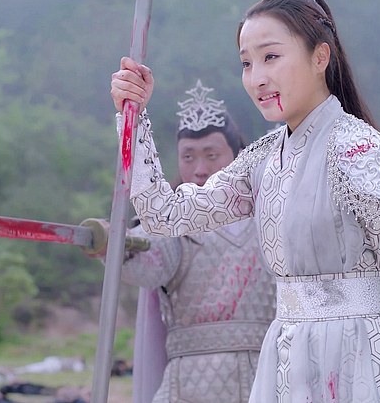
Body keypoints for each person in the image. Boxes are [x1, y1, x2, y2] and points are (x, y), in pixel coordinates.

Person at [109, 0, 380, 403]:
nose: (257, 78)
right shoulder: (262, 160)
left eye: (271, 57)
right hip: (284, 361)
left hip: (359, 363)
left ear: (320, 57)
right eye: (247, 63)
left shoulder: (361, 152)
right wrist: (132, 118)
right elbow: (163, 215)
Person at [103, 80, 276, 403]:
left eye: (211, 155)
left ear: (238, 155)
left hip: (271, 374)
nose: (199, 169)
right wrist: (114, 244)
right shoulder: (171, 226)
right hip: (189, 385)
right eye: (188, 156)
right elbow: (148, 255)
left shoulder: (273, 217)